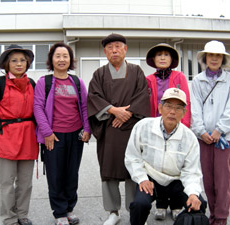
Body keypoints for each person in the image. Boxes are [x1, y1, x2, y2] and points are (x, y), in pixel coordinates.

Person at [87, 33, 150, 225]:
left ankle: (134, 211)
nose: (114, 50)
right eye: (110, 48)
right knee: (109, 170)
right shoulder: (99, 74)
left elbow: (143, 95)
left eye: (118, 46)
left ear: (125, 49)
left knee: (134, 170)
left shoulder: (137, 71)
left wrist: (126, 114)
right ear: (105, 52)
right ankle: (112, 212)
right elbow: (93, 97)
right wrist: (113, 110)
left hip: (132, 129)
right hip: (109, 129)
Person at [0, 44, 38, 225]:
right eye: (14, 61)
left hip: (28, 138)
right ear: (6, 64)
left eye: (22, 61)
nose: (19, 64)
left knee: (25, 182)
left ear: (27, 64)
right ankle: (9, 218)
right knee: (6, 183)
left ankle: (22, 214)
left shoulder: (32, 84)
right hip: (5, 138)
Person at [125, 88, 206, 225]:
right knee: (139, 205)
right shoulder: (143, 126)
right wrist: (142, 178)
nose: (172, 112)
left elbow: (191, 171)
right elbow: (132, 157)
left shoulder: (189, 138)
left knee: (199, 204)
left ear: (184, 113)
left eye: (178, 108)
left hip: (177, 181)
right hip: (151, 179)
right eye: (168, 106)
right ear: (160, 108)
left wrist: (192, 193)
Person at [33, 42, 91, 225]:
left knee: (72, 173)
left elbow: (84, 107)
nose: (61, 59)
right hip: (54, 136)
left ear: (70, 60)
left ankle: (69, 208)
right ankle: (59, 212)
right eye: (57, 56)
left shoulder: (77, 82)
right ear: (51, 59)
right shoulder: (45, 82)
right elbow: (38, 108)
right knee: (56, 175)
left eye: (65, 56)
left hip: (75, 135)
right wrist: (47, 133)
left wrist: (87, 129)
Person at [190, 40, 230, 225]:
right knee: (208, 180)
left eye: (218, 55)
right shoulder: (197, 80)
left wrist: (219, 130)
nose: (214, 58)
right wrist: (201, 131)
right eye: (210, 55)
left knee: (222, 180)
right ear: (205, 58)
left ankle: (221, 219)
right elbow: (194, 108)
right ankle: (212, 216)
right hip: (203, 138)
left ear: (223, 59)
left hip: (224, 138)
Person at [146, 43, 191, 220]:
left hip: (176, 127)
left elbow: (186, 102)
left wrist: (184, 128)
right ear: (154, 60)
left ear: (172, 59)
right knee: (158, 166)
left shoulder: (179, 76)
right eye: (159, 55)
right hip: (157, 129)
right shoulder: (148, 79)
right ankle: (161, 203)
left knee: (177, 166)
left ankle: (177, 203)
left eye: (166, 55)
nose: (163, 57)